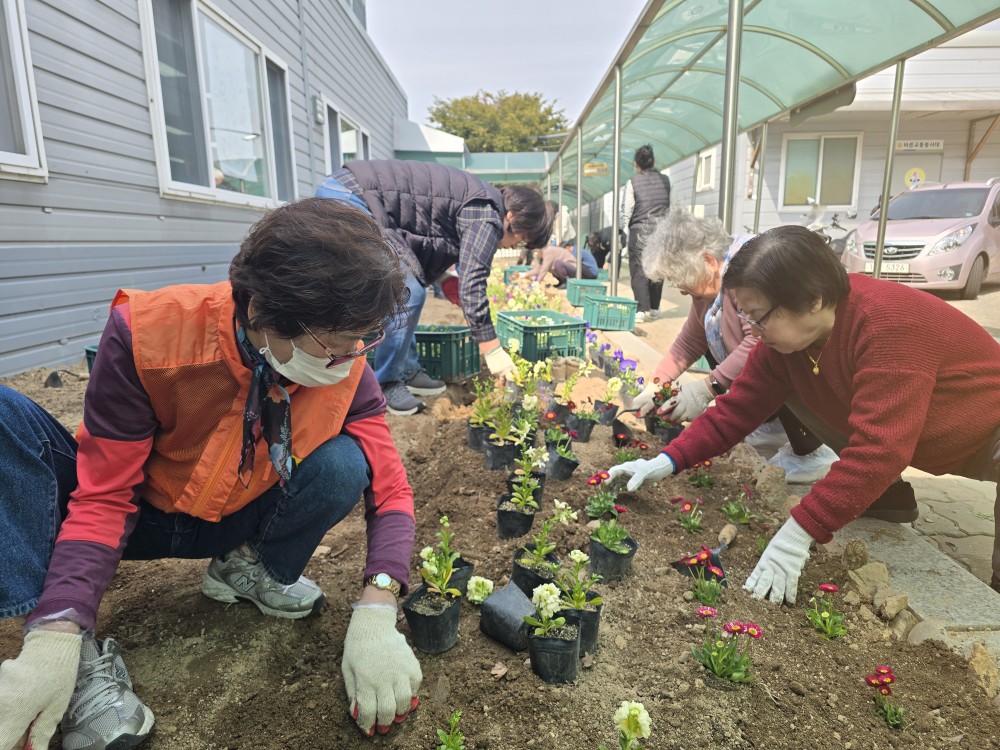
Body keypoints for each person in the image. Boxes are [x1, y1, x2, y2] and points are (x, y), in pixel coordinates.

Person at [0, 199, 424, 749]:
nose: (351, 356)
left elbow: (390, 485)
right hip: (142, 517)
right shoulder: (150, 336)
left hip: (233, 515)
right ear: (263, 312)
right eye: (335, 340)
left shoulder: (347, 368)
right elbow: (105, 495)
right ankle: (67, 653)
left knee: (346, 461)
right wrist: (57, 629)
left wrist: (378, 604)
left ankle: (246, 569)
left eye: (363, 338)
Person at [609, 224, 1000, 605]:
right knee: (801, 394)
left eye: (759, 316)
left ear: (813, 300)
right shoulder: (786, 347)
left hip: (987, 433)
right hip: (924, 438)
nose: (752, 329)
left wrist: (799, 532)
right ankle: (882, 493)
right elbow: (736, 410)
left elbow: (881, 450)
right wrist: (664, 461)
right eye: (745, 315)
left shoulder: (888, 324)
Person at [316, 160, 552, 416]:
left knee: (411, 286)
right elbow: (473, 287)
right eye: (522, 238)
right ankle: (387, 383)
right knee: (408, 293)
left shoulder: (480, 202)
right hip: (351, 198)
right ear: (512, 217)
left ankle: (406, 368)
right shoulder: (486, 213)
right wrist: (494, 353)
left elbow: (422, 234)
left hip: (352, 192)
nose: (513, 245)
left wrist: (442, 279)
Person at [629, 208, 838, 483]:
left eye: (679, 279)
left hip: (809, 367)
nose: (679, 289)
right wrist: (656, 384)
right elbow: (691, 340)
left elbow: (759, 341)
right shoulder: (708, 289)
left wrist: (708, 387)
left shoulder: (749, 276)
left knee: (777, 352)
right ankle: (771, 424)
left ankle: (812, 450)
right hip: (772, 371)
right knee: (712, 335)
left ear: (708, 260)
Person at [621, 144, 670, 323]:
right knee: (657, 267)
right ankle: (655, 309)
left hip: (639, 230)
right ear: (653, 161)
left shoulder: (633, 182)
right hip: (661, 231)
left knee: (639, 268)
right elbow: (673, 206)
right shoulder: (666, 181)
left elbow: (626, 209)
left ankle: (641, 310)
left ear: (636, 164)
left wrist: (622, 230)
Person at [526, 239, 599, 287]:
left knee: (558, 264)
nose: (536, 254)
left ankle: (565, 282)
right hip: (577, 269)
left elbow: (544, 268)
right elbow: (539, 268)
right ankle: (561, 282)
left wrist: (538, 281)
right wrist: (525, 274)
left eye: (536, 252)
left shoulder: (548, 252)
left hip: (585, 270)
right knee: (553, 267)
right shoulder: (543, 256)